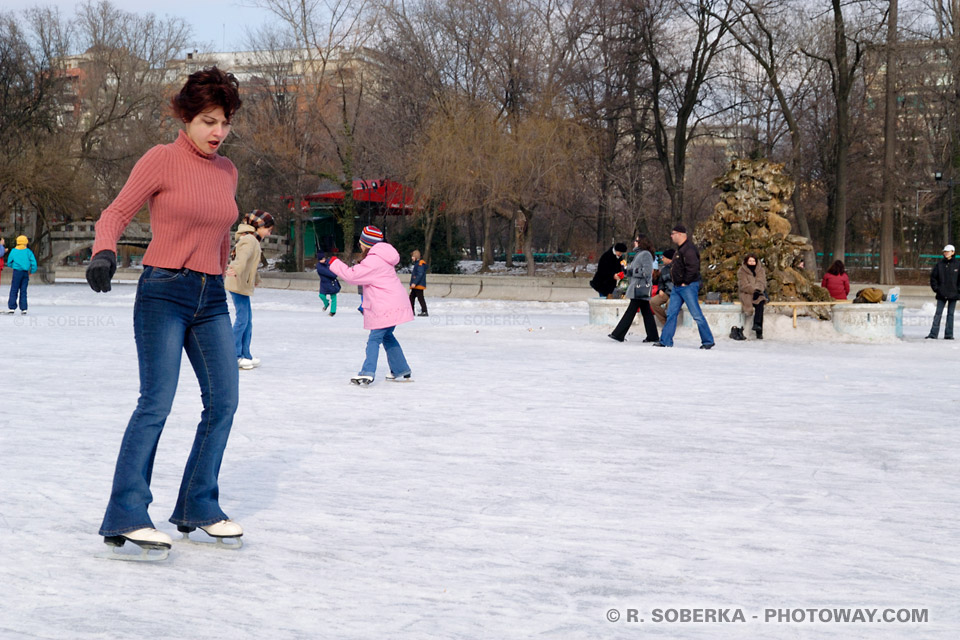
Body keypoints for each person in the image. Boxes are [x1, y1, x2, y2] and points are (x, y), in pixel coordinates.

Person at [85, 67, 245, 556]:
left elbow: (219, 232)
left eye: (225, 122)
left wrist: (221, 274)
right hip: (164, 291)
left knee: (224, 402)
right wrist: (104, 252)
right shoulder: (161, 159)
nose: (218, 132)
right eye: (207, 121)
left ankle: (199, 504)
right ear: (186, 118)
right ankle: (128, 514)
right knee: (156, 401)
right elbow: (113, 213)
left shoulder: (228, 170)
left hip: (211, 297)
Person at [327, 225, 415, 384]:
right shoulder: (383, 257)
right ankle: (401, 369)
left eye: (361, 242)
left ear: (366, 243)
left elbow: (351, 276)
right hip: (395, 302)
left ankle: (367, 371)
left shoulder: (374, 260)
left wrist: (334, 262)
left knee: (374, 339)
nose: (359, 245)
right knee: (387, 336)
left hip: (385, 306)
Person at [225, 210, 274, 370]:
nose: (269, 232)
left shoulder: (252, 239)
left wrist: (256, 279)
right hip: (238, 282)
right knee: (242, 319)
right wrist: (236, 269)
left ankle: (246, 354)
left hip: (242, 283)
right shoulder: (249, 240)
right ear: (259, 226)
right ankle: (234, 355)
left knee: (247, 321)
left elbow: (251, 264)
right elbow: (242, 258)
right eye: (268, 229)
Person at [654, 225, 715, 349]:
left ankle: (708, 341)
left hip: (687, 286)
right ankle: (665, 340)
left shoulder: (689, 249)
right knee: (671, 313)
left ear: (680, 234)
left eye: (673, 233)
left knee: (696, 314)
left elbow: (693, 268)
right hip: (678, 287)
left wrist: (685, 282)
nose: (671, 236)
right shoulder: (681, 249)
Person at [608, 236, 659, 343]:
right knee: (646, 312)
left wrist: (633, 271)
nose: (634, 242)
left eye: (636, 241)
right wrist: (626, 271)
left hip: (640, 288)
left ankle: (618, 334)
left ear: (642, 242)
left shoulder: (645, 254)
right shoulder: (639, 254)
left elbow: (647, 271)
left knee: (631, 311)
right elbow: (637, 270)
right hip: (638, 287)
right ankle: (653, 336)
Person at [926, 244, 960, 340]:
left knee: (950, 314)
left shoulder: (958, 265)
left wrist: (958, 290)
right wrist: (937, 289)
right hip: (941, 293)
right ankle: (933, 334)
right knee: (938, 313)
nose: (946, 253)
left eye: (948, 252)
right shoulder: (939, 265)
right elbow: (933, 278)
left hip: (954, 294)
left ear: (953, 252)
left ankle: (949, 334)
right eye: (945, 252)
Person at [737, 253, 769, 340]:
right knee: (749, 302)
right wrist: (752, 291)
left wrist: (758, 290)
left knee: (760, 303)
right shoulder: (741, 271)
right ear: (746, 261)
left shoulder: (760, 270)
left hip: (758, 293)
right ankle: (757, 328)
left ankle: (757, 327)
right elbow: (743, 284)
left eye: (753, 261)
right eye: (750, 261)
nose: (751, 263)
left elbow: (762, 281)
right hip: (747, 293)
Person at [5, 235, 38, 315]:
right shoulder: (28, 252)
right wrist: (31, 271)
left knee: (14, 289)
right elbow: (34, 263)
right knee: (23, 290)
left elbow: (9, 262)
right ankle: (23, 308)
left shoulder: (13, 251)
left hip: (16, 272)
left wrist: (14, 266)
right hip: (25, 273)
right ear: (25, 243)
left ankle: (12, 307)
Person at [650, 248, 674, 324]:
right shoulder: (664, 270)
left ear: (669, 259)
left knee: (669, 304)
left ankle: (671, 323)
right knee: (653, 302)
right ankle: (665, 322)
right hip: (667, 292)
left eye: (663, 257)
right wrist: (660, 289)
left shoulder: (678, 268)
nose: (662, 259)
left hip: (676, 293)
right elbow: (661, 282)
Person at [315, 247, 341, 316]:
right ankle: (326, 303)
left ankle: (333, 311)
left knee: (333, 297)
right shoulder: (319, 267)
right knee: (321, 295)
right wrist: (334, 273)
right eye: (321, 259)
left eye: (323, 258)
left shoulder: (329, 262)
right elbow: (329, 273)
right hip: (324, 284)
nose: (323, 260)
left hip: (332, 283)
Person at [409, 249, 428, 316]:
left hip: (418, 285)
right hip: (417, 284)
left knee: (420, 297)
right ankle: (411, 311)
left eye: (413, 256)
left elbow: (420, 274)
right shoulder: (418, 263)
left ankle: (424, 311)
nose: (412, 258)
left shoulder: (420, 264)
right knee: (412, 297)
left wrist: (415, 283)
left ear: (416, 257)